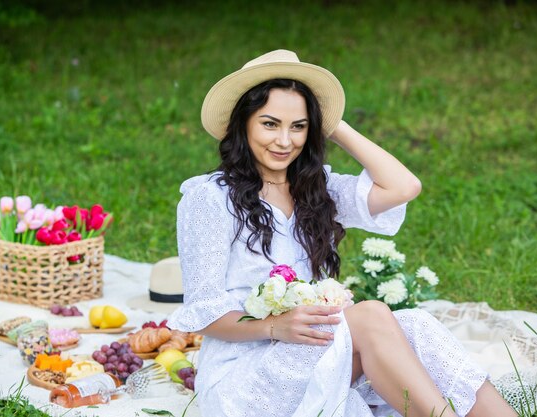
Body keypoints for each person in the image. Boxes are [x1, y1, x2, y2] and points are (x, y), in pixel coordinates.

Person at [166, 50, 516, 417]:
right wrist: (274, 326)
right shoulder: (210, 199)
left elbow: (404, 186)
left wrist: (331, 123)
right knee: (371, 317)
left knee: (412, 324)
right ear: (243, 125)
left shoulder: (317, 190)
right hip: (244, 376)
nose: (285, 141)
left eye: (298, 126)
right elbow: (202, 311)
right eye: (270, 124)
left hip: (314, 348)